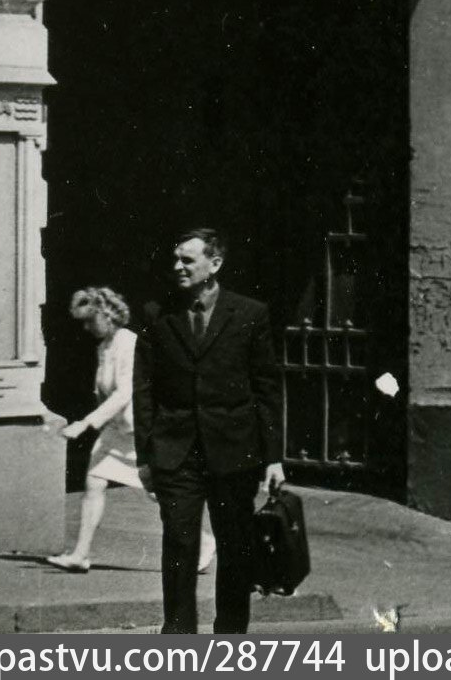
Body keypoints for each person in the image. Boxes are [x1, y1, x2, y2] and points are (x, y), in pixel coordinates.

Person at [134, 229, 281, 634]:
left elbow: (266, 388)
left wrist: (273, 457)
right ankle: (178, 636)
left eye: (188, 260)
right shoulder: (158, 315)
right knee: (179, 544)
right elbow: (143, 388)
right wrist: (146, 456)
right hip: (176, 451)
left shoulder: (250, 314)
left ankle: (231, 636)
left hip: (234, 451)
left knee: (235, 547)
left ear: (214, 264)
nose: (178, 267)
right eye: (176, 259)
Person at [46, 288, 215, 576]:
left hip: (144, 432)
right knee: (94, 480)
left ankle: (204, 541)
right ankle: (80, 554)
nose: (86, 328)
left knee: (160, 493)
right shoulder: (104, 346)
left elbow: (126, 392)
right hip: (118, 430)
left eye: (89, 321)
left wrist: (87, 423)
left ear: (106, 316)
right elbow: (104, 390)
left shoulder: (129, 343)